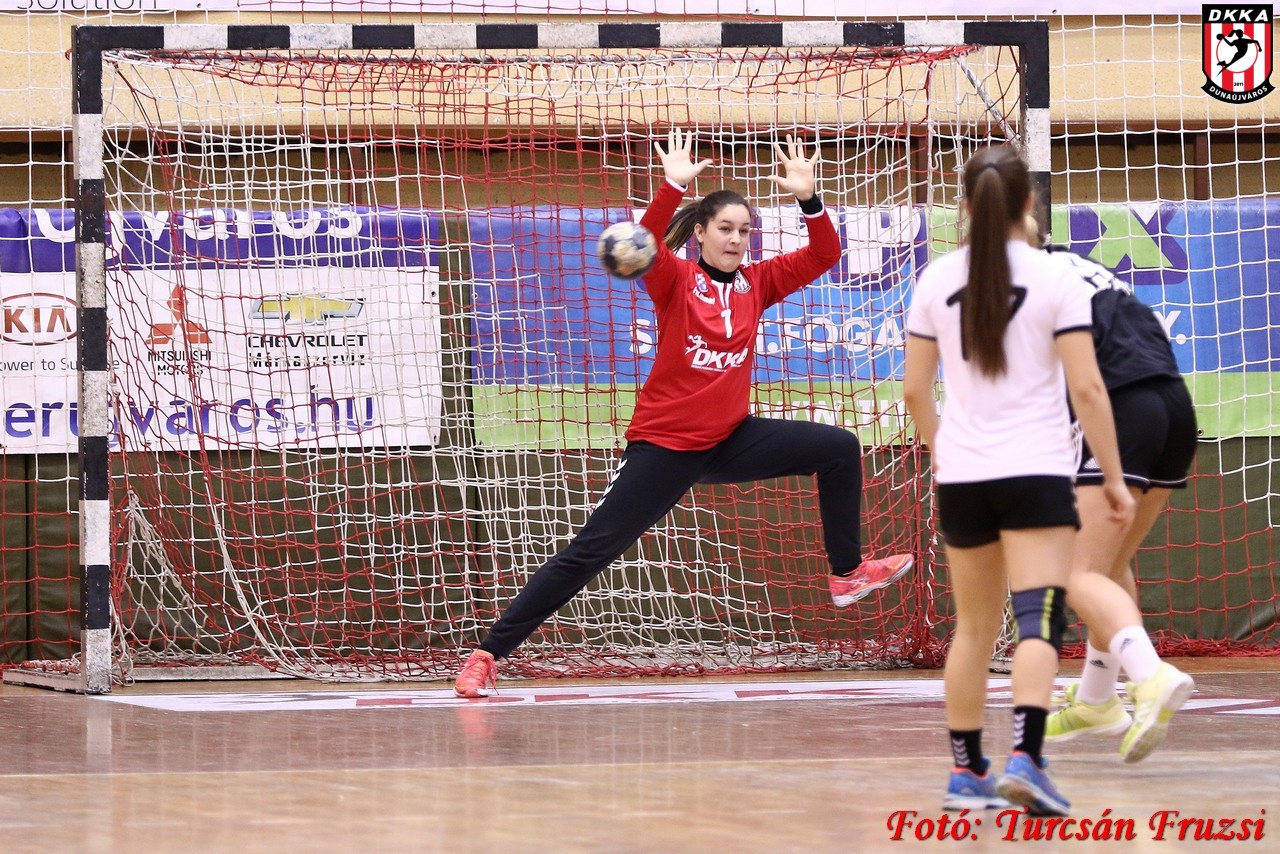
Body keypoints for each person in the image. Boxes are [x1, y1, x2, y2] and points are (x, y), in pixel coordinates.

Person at [454, 130, 915, 698]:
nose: (736, 239)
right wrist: (671, 186)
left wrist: (809, 198)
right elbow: (643, 244)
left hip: (730, 438)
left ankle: (846, 574)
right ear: (700, 233)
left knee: (838, 448)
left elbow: (825, 254)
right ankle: (487, 654)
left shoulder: (758, 283)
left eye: (744, 231)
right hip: (665, 447)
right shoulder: (675, 279)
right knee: (589, 553)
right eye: (725, 228)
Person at [903, 144, 1138, 817]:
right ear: (1028, 202)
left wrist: (943, 450)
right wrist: (1113, 478)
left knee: (972, 628)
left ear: (964, 205)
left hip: (964, 477)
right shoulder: (1056, 277)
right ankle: (1027, 762)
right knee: (1038, 619)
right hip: (1036, 471)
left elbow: (915, 390)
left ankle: (965, 772)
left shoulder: (935, 279)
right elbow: (1087, 389)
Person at [1038, 239, 1199, 760]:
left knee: (1073, 571)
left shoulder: (1017, 282)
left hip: (1120, 407)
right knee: (1107, 566)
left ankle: (1151, 676)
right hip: (1175, 404)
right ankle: (1097, 699)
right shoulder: (1081, 266)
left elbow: (1080, 385)